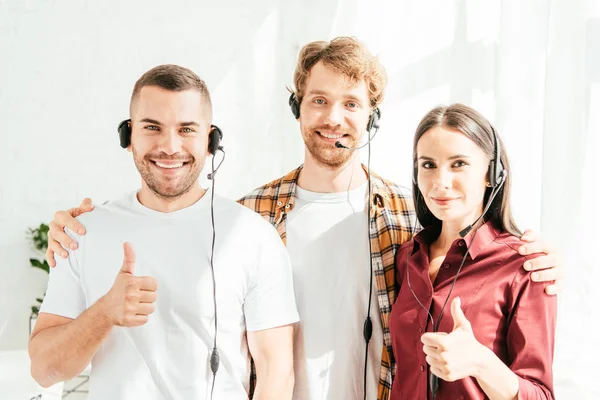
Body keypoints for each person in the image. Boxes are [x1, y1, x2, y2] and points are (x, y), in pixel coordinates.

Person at [44, 38, 562, 400]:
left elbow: (480, 256)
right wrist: (76, 233)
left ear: (372, 118)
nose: (333, 118)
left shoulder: (411, 218)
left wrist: (538, 253)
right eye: (319, 100)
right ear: (297, 108)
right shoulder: (250, 216)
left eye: (351, 104)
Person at [29, 64, 299, 400]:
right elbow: (44, 371)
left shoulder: (253, 237)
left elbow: (277, 375)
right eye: (152, 127)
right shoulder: (82, 231)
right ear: (128, 136)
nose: (170, 147)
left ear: (211, 140)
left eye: (186, 129)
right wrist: (103, 313)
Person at [389, 104, 556, 399]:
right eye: (428, 165)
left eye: (458, 164)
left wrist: (481, 362)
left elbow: (541, 394)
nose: (440, 182)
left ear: (491, 174)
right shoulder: (407, 257)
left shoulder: (526, 266)